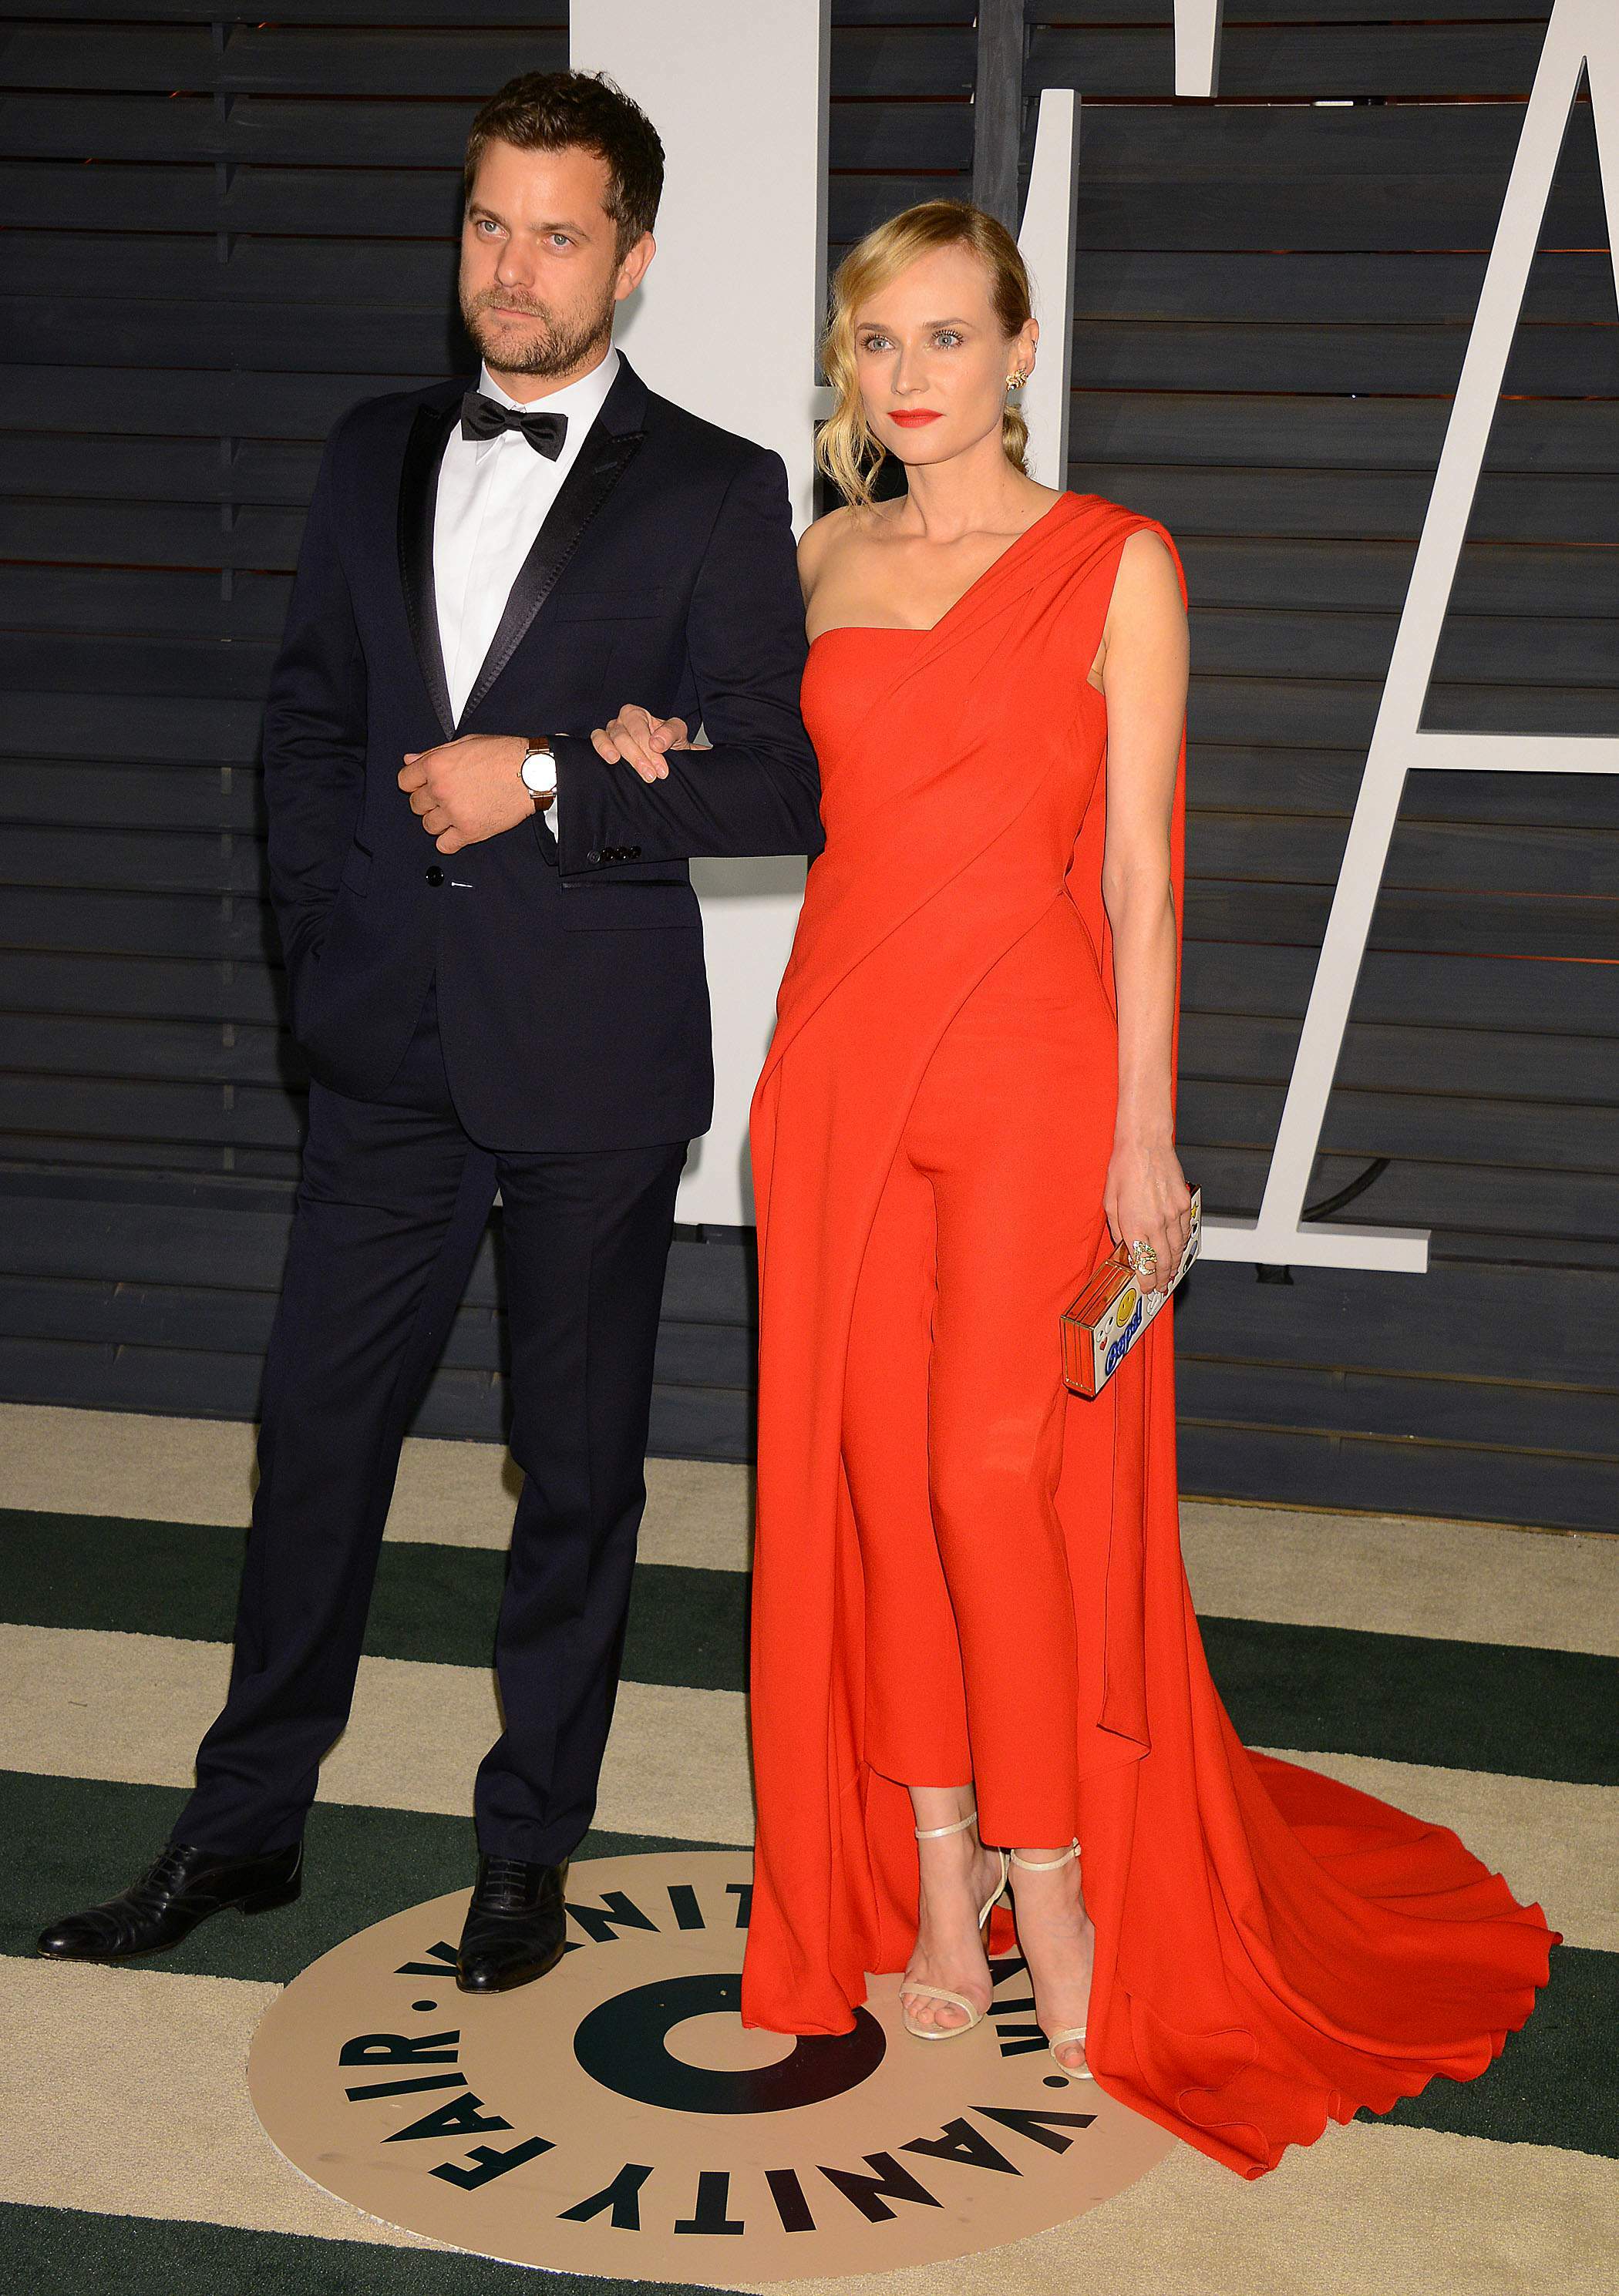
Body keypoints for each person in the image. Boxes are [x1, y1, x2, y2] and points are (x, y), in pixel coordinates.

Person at [725, 200, 1554, 2174]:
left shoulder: (1118, 561)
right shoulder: (818, 558)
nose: (910, 376)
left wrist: (1143, 1126)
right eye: (878, 342)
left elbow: (1141, 869)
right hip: (835, 1067)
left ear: (1022, 348)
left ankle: (1058, 1876)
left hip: (1031, 1066)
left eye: (947, 336)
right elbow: (768, 789)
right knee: (875, 1484)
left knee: (984, 1478)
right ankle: (943, 1883)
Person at [37, 69, 823, 1995]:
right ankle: (244, 1820)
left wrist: (546, 772)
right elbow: (307, 717)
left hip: (590, 1066)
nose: (513, 268)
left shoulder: (718, 486)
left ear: (632, 258)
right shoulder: (368, 446)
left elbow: (779, 781)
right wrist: (323, 947)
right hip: (384, 1041)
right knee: (313, 1438)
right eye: (488, 223)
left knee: (576, 1474)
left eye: (558, 234)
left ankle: (526, 1849)